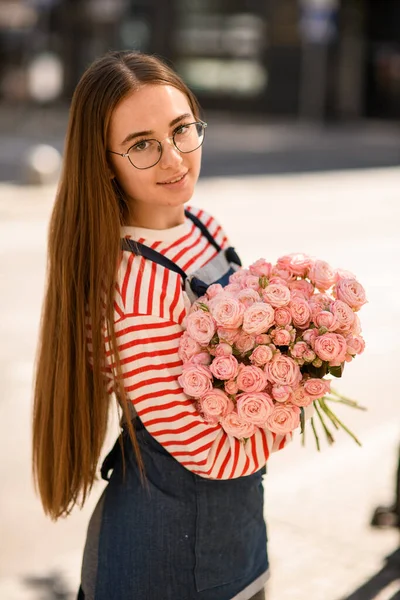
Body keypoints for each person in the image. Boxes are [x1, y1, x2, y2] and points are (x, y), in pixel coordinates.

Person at [32, 50, 294, 600]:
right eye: (143, 145)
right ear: (105, 162)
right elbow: (208, 452)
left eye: (181, 130)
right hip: (159, 561)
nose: (174, 159)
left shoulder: (203, 223)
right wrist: (291, 401)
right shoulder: (131, 292)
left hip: (236, 534)